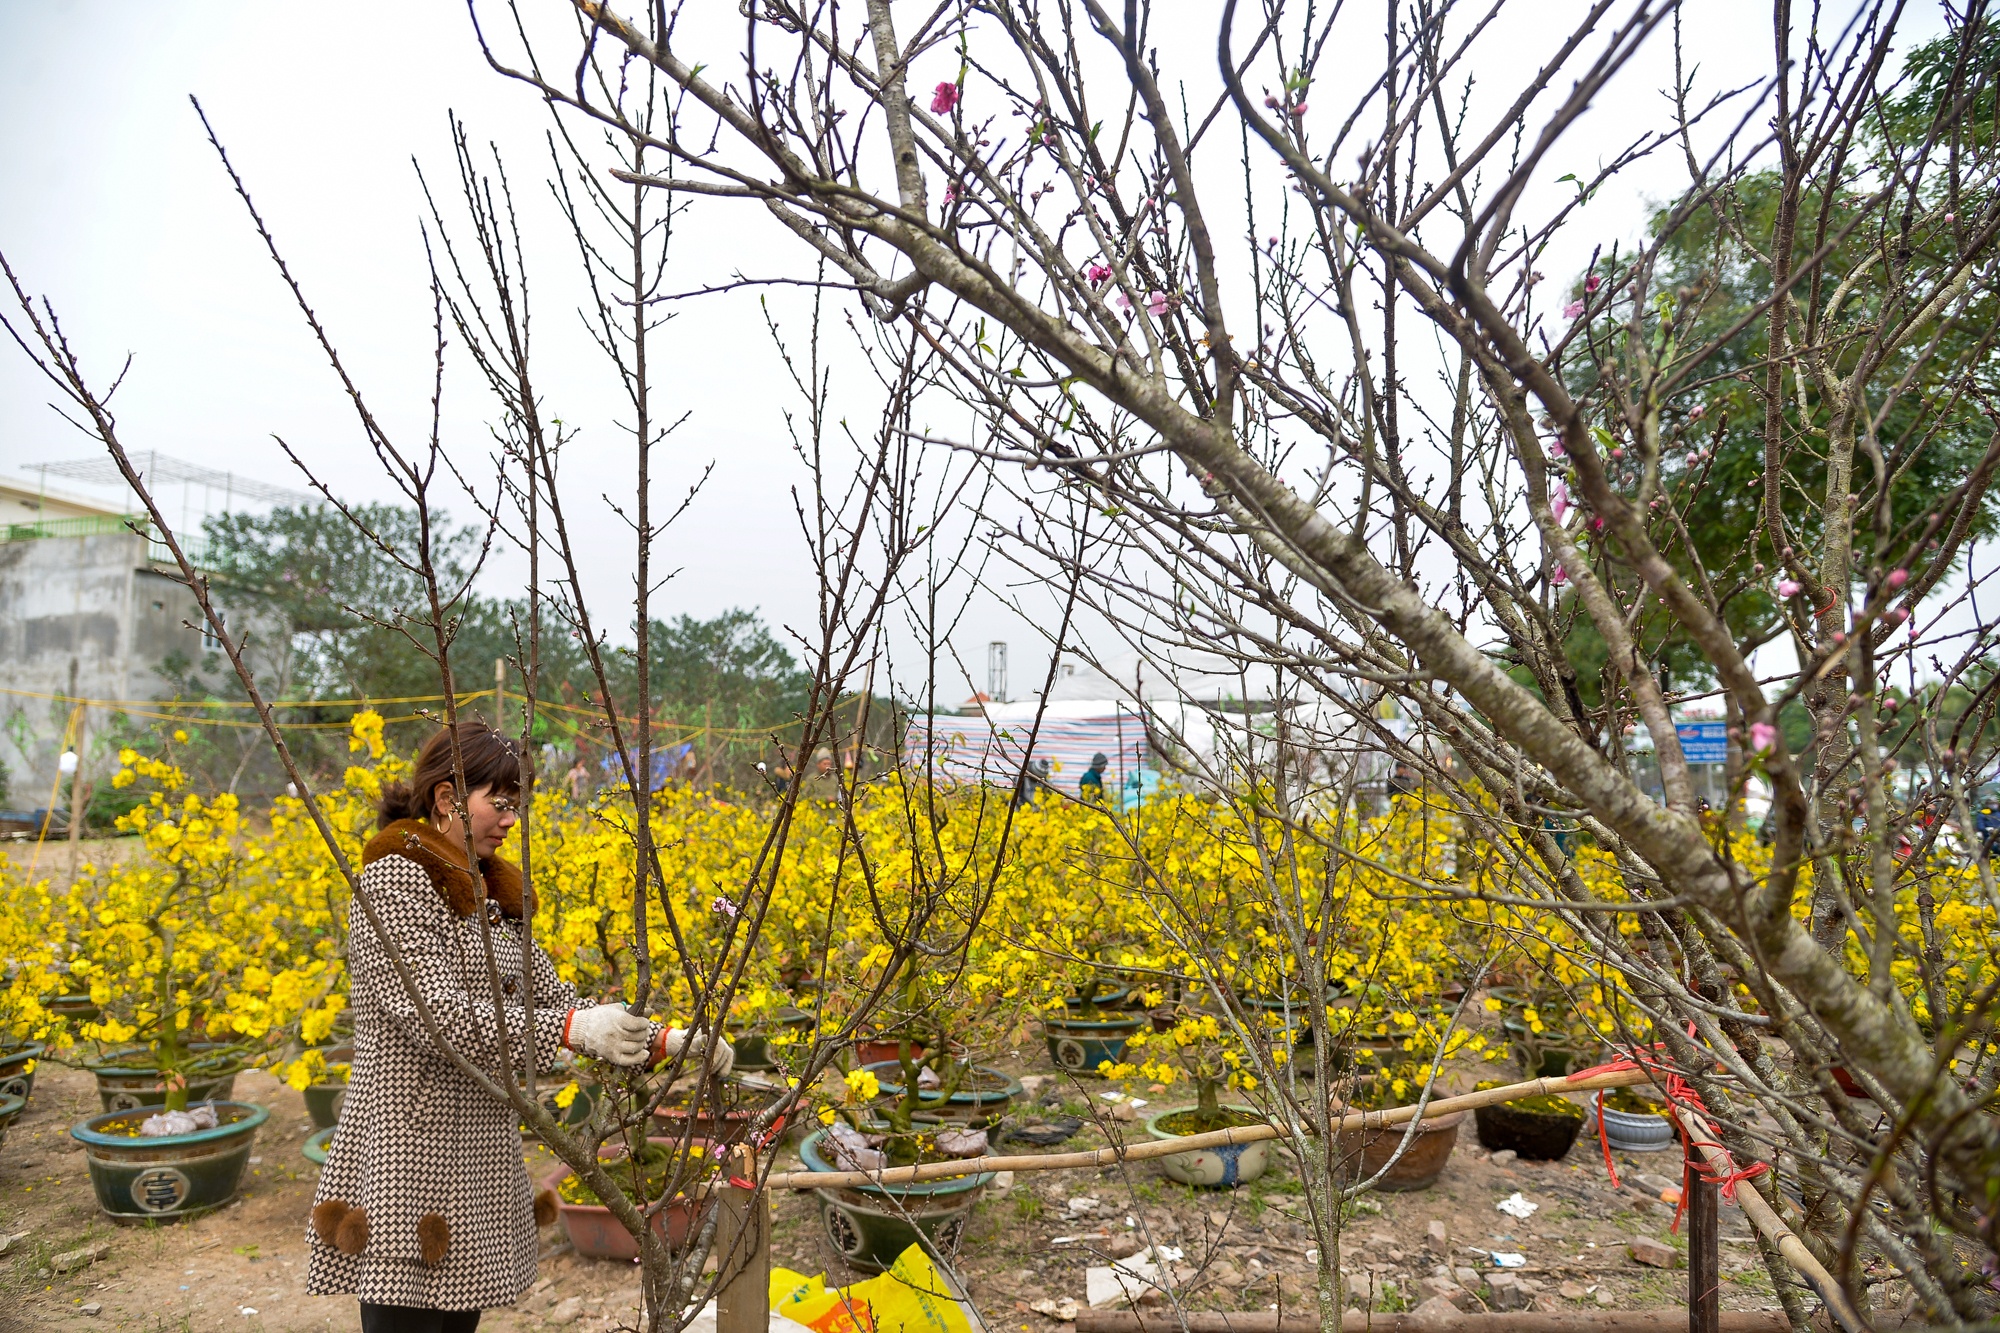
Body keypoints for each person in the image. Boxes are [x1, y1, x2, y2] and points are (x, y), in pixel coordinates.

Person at [306, 720, 729, 1333]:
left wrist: (663, 1039)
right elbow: (439, 1015)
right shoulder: (395, 881)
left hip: (477, 1138)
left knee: (457, 1320)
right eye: (499, 803)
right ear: (448, 799)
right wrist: (572, 1028)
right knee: (407, 1317)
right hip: (411, 1144)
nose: (511, 820)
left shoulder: (488, 893)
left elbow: (556, 997)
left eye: (517, 805)